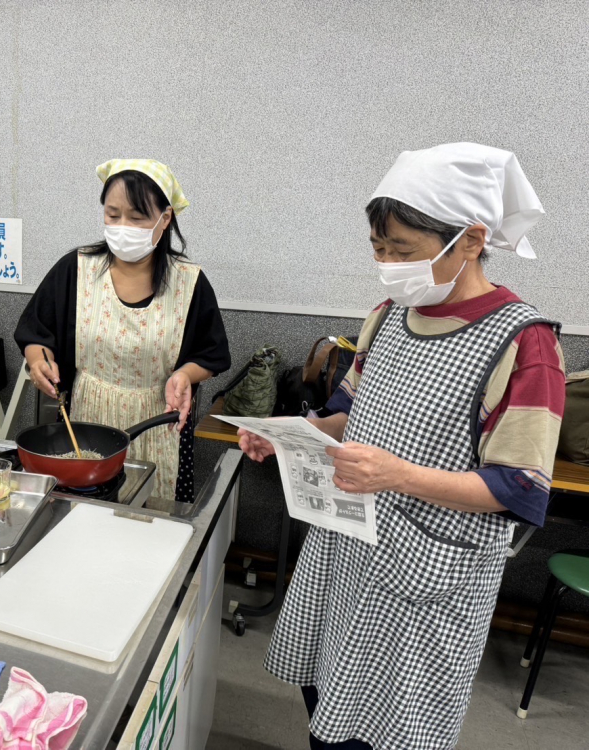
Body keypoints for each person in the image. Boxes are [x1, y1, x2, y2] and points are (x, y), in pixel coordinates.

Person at [239, 143, 566, 749]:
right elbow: (348, 411)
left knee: (388, 729)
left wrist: (400, 476)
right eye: (379, 249)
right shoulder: (389, 315)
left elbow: (520, 487)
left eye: (404, 251)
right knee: (327, 705)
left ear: (471, 240)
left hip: (427, 582)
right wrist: (293, 435)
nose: (389, 265)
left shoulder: (524, 344)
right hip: (346, 555)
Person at [15, 159, 231, 501]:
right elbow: (36, 332)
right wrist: (37, 359)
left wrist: (186, 375)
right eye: (113, 215)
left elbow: (211, 353)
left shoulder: (189, 283)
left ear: (165, 218)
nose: (122, 226)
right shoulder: (77, 269)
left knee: (152, 528)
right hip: (87, 425)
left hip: (158, 424)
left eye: (137, 216)